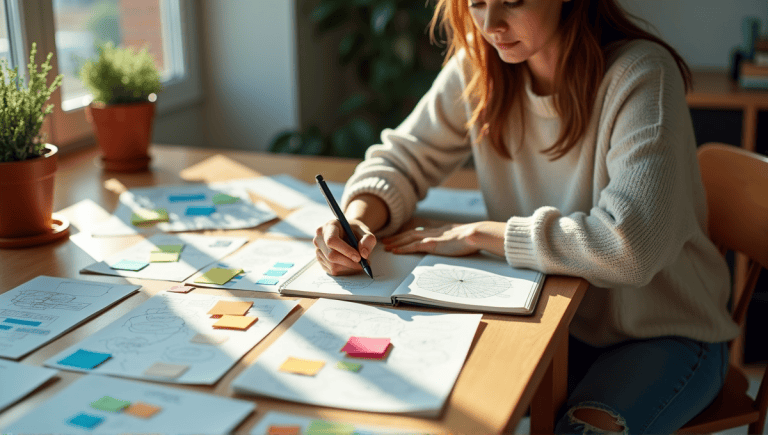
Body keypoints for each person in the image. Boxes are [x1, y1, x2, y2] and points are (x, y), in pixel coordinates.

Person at [313, 0, 740, 432]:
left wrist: (484, 235)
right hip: (554, 319)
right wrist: (356, 218)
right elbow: (402, 158)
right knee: (420, 404)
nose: (491, 24)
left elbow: (630, 247)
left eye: (512, 1)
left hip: (660, 331)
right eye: (476, 2)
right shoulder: (480, 64)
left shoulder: (641, 74)